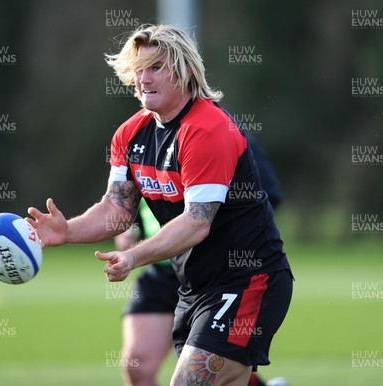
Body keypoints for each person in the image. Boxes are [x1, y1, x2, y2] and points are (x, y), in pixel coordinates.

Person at [27, 24, 292, 386]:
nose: (143, 79)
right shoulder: (130, 134)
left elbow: (197, 222)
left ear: (183, 71)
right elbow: (117, 210)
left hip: (248, 281)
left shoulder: (208, 129)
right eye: (138, 69)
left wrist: (133, 257)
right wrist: (68, 230)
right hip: (194, 287)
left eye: (155, 68)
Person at [115, 134, 284, 386]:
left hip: (218, 272)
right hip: (162, 271)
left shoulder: (226, 137)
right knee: (137, 365)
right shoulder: (144, 140)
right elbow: (141, 197)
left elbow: (268, 194)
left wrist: (223, 227)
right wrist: (131, 228)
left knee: (208, 368)